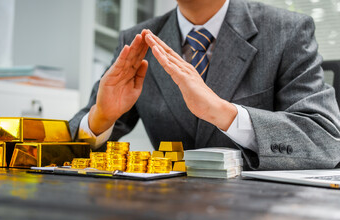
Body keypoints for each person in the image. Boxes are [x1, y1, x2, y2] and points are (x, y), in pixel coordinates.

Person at [69, 0, 340, 170]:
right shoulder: (138, 40)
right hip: (163, 209)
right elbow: (71, 142)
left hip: (261, 212)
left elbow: (325, 141)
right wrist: (100, 118)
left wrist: (222, 112)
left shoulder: (286, 30)